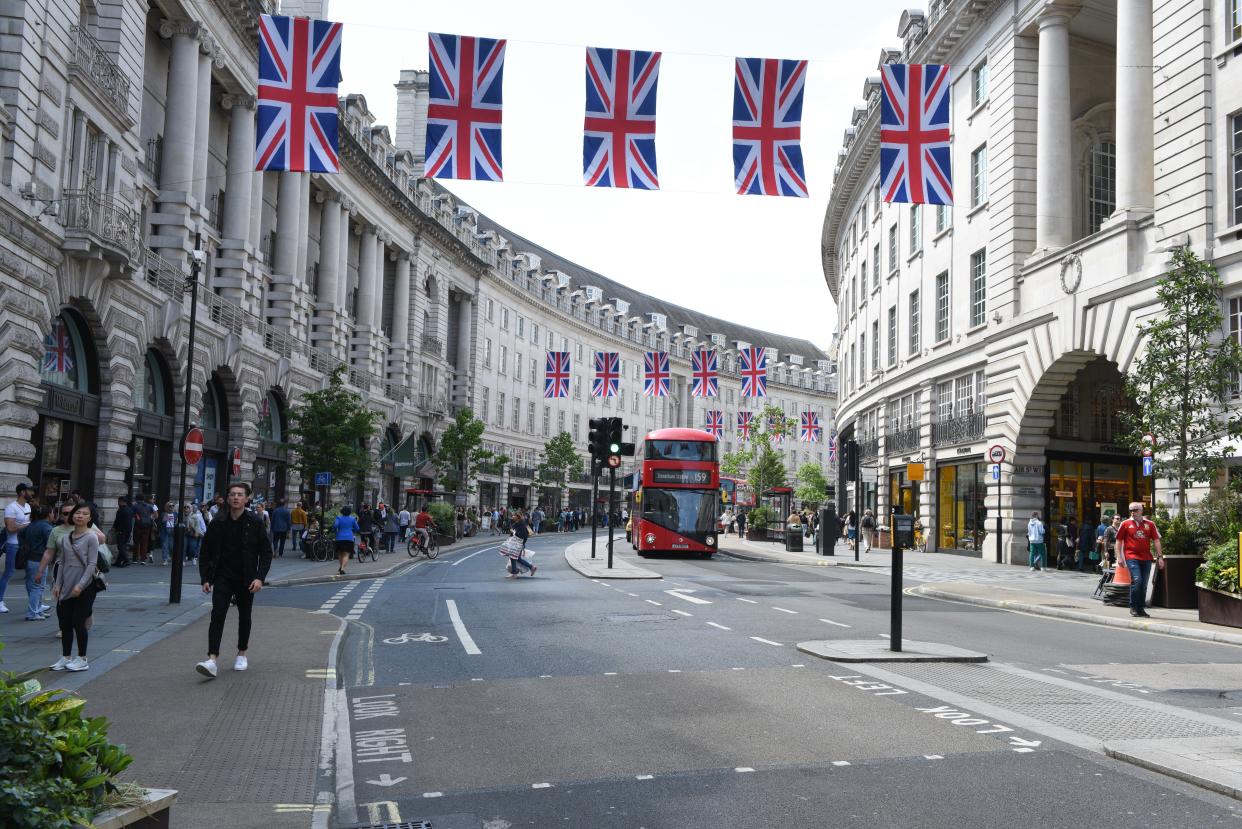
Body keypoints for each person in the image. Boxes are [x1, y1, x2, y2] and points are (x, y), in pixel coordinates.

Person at [196, 482, 273, 678]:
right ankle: (212, 659)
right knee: (217, 615)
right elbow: (205, 551)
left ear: (247, 498)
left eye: (240, 494)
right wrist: (205, 577)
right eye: (232, 494)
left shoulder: (255, 522)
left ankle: (241, 653)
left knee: (244, 616)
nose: (235, 497)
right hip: (222, 576)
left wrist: (259, 578)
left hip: (246, 577)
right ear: (228, 498)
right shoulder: (218, 522)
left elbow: (266, 552)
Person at [49, 502, 100, 672]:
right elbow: (62, 563)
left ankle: (82, 659)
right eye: (78, 513)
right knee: (65, 623)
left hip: (85, 587)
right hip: (66, 585)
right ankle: (65, 657)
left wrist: (80, 585)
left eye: (84, 514)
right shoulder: (65, 538)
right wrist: (57, 584)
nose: (80, 516)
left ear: (90, 518)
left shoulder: (91, 537)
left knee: (79, 623)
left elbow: (92, 564)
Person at [1115, 501, 1164, 618]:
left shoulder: (1150, 524)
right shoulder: (1125, 524)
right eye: (1131, 510)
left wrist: (1160, 557)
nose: (1133, 512)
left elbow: (1156, 540)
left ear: (1141, 511)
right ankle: (1133, 607)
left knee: (1144, 584)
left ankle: (1140, 608)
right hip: (1131, 556)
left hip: (1146, 557)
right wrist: (1119, 557)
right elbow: (1119, 540)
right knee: (1137, 580)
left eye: (1135, 510)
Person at [2, 483, 33, 614]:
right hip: (12, 544)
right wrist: (28, 525)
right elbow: (10, 528)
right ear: (22, 492)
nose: (31, 494)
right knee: (8, 573)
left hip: (25, 545)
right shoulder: (11, 508)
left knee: (31, 572)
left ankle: (34, 602)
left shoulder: (28, 506)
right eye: (29, 491)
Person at [19, 505, 53, 620]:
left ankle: (37, 610)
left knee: (33, 586)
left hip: (30, 558)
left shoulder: (30, 525)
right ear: (48, 514)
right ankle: (32, 612)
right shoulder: (46, 527)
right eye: (52, 512)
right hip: (39, 559)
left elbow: (21, 536)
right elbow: (51, 544)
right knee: (37, 587)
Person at [332, 506, 361, 576]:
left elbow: (335, 525)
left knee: (340, 553)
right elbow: (357, 528)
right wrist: (352, 530)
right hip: (349, 538)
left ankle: (341, 566)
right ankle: (342, 568)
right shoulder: (352, 519)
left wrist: (335, 530)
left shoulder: (338, 518)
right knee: (346, 554)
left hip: (339, 537)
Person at [507, 509, 535, 577]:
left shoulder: (520, 523)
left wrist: (513, 532)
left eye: (514, 516)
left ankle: (515, 573)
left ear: (517, 516)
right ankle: (515, 572)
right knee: (515, 557)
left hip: (518, 543)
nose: (513, 517)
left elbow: (519, 533)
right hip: (519, 543)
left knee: (514, 557)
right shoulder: (522, 523)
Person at [112, 496, 134, 568]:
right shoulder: (130, 510)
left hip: (121, 530)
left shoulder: (121, 510)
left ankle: (126, 560)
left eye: (119, 501)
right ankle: (118, 562)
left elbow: (117, 521)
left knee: (120, 546)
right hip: (128, 530)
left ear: (122, 502)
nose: (118, 503)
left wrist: (114, 528)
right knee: (123, 545)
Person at [132, 494, 154, 565]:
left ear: (137, 499)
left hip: (138, 525)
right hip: (147, 526)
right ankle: (143, 559)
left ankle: (135, 559)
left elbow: (132, 514)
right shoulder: (149, 506)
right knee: (145, 543)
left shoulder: (135, 506)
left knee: (136, 542)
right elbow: (153, 514)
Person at [160, 501, 177, 565]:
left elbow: (176, 522)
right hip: (165, 531)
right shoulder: (164, 514)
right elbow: (163, 523)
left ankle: (172, 556)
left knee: (171, 546)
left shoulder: (175, 514)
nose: (171, 507)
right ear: (167, 507)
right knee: (165, 545)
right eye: (170, 506)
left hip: (173, 531)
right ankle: (165, 559)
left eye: (173, 506)